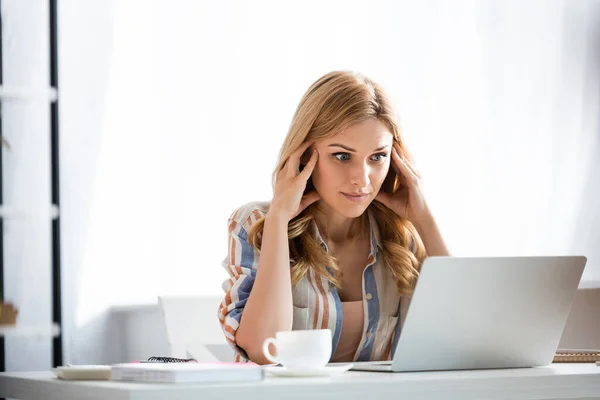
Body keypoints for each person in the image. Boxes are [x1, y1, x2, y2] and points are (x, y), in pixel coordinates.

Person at [218, 70, 450, 364]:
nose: (361, 179)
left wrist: (424, 219)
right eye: (342, 156)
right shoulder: (256, 223)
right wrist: (278, 220)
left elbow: (467, 335)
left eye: (377, 157)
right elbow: (266, 350)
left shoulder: (399, 234)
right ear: (303, 155)